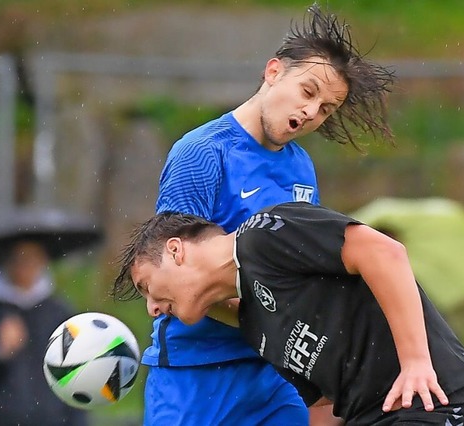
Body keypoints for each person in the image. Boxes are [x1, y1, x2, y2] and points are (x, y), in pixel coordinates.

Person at [145, 3, 394, 425]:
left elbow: (295, 269)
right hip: (196, 374)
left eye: (327, 108)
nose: (312, 112)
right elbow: (167, 278)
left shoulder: (301, 168)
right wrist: (268, 313)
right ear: (274, 71)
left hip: (276, 377)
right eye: (308, 92)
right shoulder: (201, 154)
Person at [112, 201, 464, 425]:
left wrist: (416, 361)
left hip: (438, 403)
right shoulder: (255, 324)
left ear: (176, 251)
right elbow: (321, 408)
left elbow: (384, 253)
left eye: (147, 286)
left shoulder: (260, 236)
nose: (152, 308)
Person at [0, 240, 89, 426]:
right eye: (19, 259)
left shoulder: (58, 310)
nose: (26, 266)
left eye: (32, 259)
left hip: (55, 420)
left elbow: (77, 373)